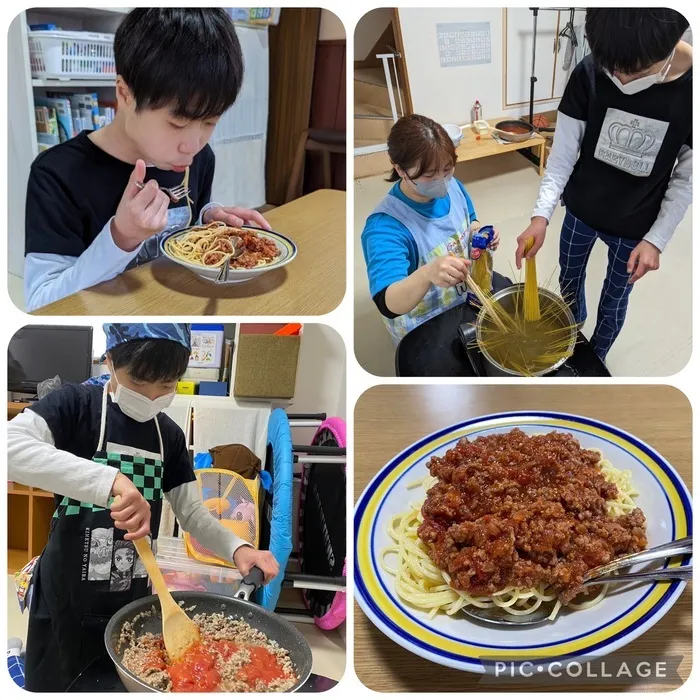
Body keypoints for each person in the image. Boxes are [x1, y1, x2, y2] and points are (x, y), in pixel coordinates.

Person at [7, 323, 279, 691]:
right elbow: (11, 448)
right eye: (139, 382)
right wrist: (112, 482)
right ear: (109, 361)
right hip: (63, 597)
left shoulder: (168, 435)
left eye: (167, 386)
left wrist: (239, 549)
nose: (152, 396)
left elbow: (193, 515)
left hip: (129, 602)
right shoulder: (76, 407)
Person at [24, 8, 271, 312]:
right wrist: (121, 237)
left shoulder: (201, 158)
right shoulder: (56, 175)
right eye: (177, 124)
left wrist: (208, 223)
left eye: (210, 122)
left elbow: (186, 225)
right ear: (124, 95)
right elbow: (41, 302)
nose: (192, 145)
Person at [516, 8, 692, 362]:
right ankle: (572, 327)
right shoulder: (590, 70)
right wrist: (541, 216)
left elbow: (687, 177)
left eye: (635, 70)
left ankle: (595, 357)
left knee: (615, 301)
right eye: (612, 68)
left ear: (672, 41)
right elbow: (562, 156)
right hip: (581, 209)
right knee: (569, 276)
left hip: (636, 226)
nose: (622, 79)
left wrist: (656, 239)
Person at [362, 114, 499, 344]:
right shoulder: (384, 228)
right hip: (423, 324)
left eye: (447, 168)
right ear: (401, 169)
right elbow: (388, 302)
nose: (442, 180)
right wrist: (427, 273)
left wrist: (479, 233)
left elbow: (471, 220)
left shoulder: (454, 187)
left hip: (462, 301)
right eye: (429, 174)